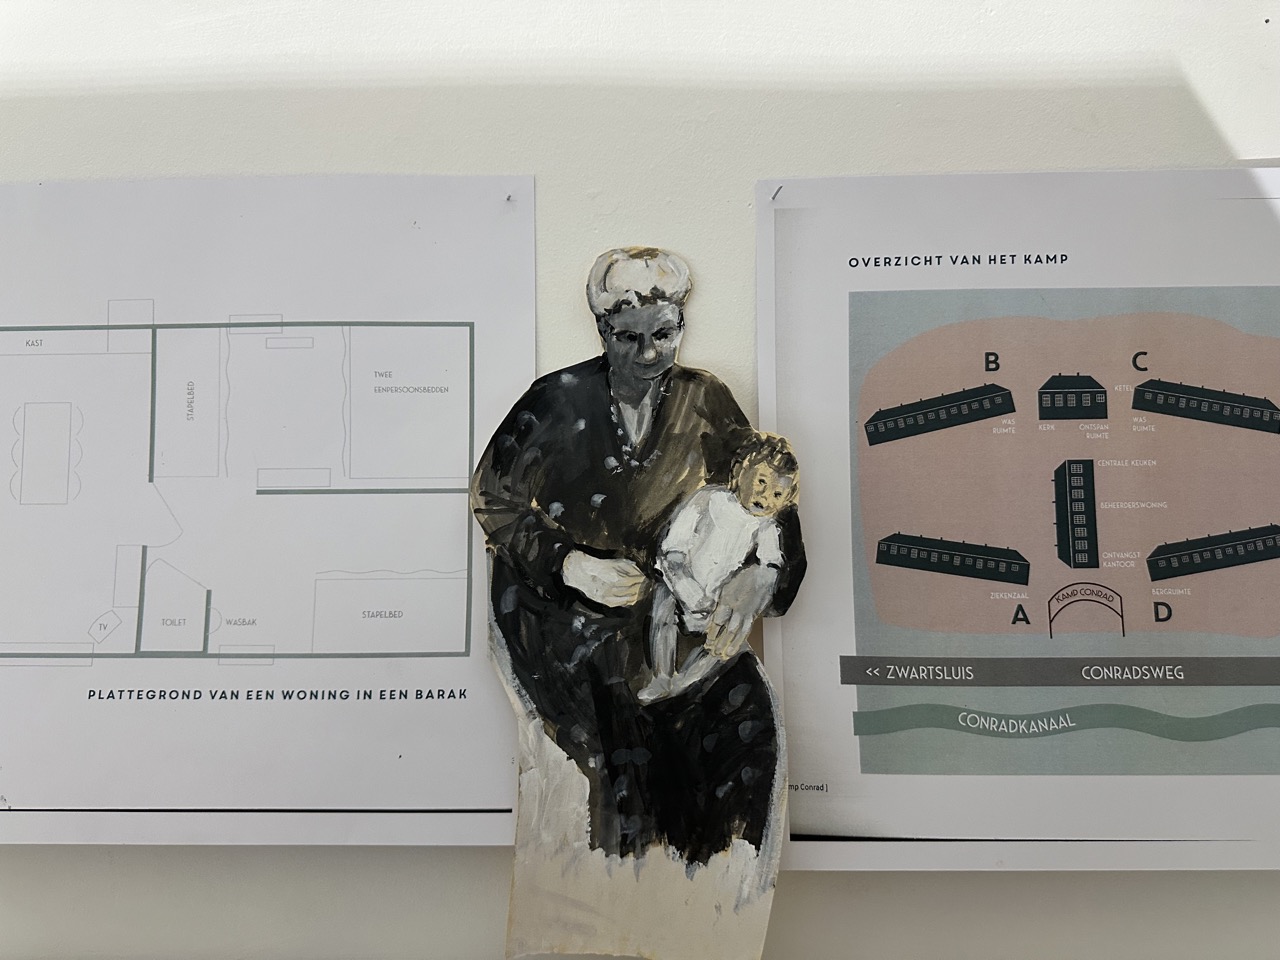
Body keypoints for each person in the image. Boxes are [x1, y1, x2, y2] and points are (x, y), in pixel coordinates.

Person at [470, 247, 805, 866]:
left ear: (681, 325)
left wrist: (765, 571)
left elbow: (769, 492)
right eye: (629, 337)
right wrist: (571, 565)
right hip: (566, 616)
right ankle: (634, 887)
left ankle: (721, 890)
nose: (649, 354)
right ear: (603, 330)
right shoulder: (555, 400)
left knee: (746, 721)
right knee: (631, 745)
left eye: (664, 335)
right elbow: (493, 499)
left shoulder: (706, 399)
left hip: (679, 609)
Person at [639, 433, 800, 704]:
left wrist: (751, 587)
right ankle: (661, 675)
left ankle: (685, 683)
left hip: (716, 602)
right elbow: (672, 549)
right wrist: (686, 587)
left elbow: (771, 564)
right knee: (662, 606)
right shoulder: (709, 498)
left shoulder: (767, 527)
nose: (765, 496)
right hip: (680, 584)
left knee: (722, 644)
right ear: (740, 471)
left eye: (777, 494)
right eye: (761, 481)